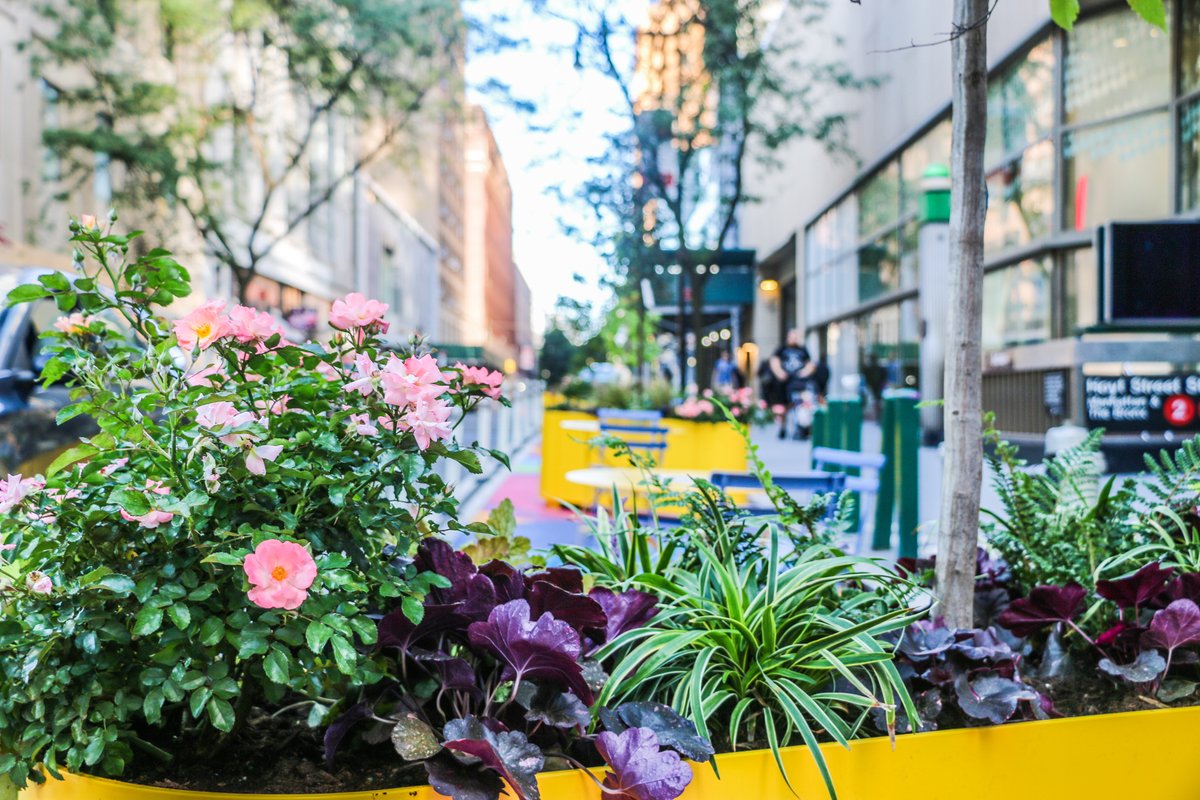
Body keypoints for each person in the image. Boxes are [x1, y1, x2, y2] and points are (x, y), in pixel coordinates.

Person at [769, 329, 816, 439]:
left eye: (796, 337)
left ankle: (801, 426)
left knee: (800, 403)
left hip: (798, 382)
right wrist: (780, 373)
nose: (794, 339)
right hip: (785, 381)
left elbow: (810, 363)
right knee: (783, 406)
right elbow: (774, 360)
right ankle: (783, 428)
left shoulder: (802, 349)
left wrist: (804, 373)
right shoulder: (782, 349)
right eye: (792, 337)